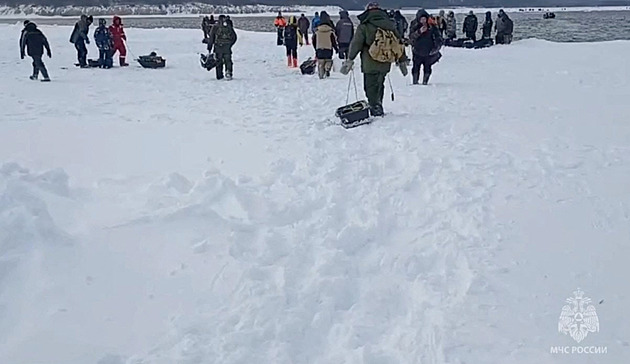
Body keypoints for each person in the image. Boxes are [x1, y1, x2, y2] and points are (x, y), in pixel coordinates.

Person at [344, 2, 404, 116]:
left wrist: (350, 59)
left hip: (369, 62)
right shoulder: (389, 24)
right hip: (385, 61)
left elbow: (356, 43)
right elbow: (398, 42)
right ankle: (378, 104)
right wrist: (402, 59)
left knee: (370, 85)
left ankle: (374, 107)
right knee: (380, 83)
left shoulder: (365, 26)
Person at [409, 10, 442, 85]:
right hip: (417, 51)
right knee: (416, 67)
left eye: (424, 19)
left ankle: (425, 81)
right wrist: (419, 32)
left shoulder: (432, 26)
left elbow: (438, 38)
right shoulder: (414, 25)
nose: (423, 21)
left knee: (427, 67)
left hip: (428, 51)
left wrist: (435, 49)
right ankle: (415, 81)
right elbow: (411, 37)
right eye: (421, 19)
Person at [207, 14, 237, 80]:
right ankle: (229, 72)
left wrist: (209, 47)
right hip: (227, 47)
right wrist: (230, 45)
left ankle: (219, 75)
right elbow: (234, 37)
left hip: (218, 47)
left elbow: (211, 38)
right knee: (228, 61)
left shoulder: (215, 27)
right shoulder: (229, 26)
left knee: (218, 61)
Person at [312, 11, 338, 79]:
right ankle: (327, 68)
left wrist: (316, 48)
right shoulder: (330, 31)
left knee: (320, 63)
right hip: (328, 48)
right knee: (329, 61)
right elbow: (333, 41)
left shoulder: (317, 31)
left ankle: (321, 75)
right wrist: (336, 48)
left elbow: (313, 40)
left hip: (319, 48)